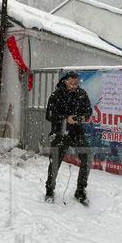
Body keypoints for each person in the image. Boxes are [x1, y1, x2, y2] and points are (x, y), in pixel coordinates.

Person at [44, 71, 93, 205]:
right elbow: (49, 115)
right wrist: (66, 119)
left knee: (87, 157)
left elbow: (89, 110)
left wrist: (84, 117)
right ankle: (49, 191)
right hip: (60, 132)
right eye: (71, 83)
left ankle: (80, 191)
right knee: (55, 162)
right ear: (65, 81)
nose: (73, 86)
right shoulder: (56, 95)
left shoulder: (82, 94)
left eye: (76, 84)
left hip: (77, 132)